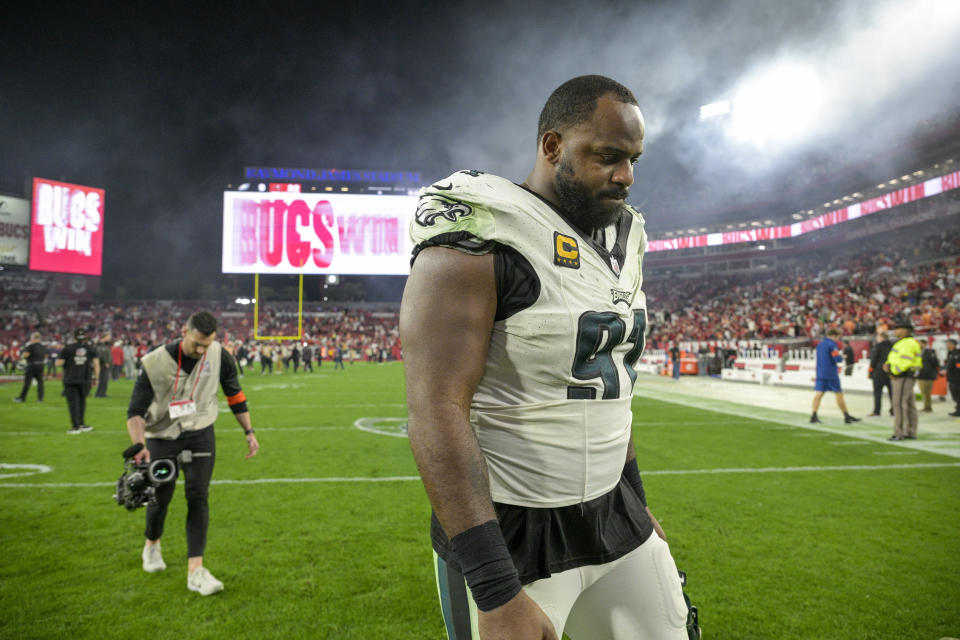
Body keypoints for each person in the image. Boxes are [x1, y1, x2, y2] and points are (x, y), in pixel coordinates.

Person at [401, 75, 697, 640]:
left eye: (634, 159)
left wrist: (634, 501)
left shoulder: (628, 236)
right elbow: (435, 409)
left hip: (613, 513)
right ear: (553, 146)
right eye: (607, 156)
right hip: (514, 527)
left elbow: (609, 391)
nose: (626, 176)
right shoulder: (479, 234)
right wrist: (493, 588)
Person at [125, 310, 260, 595]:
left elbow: (234, 394)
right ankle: (152, 544)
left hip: (201, 432)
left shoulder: (219, 355)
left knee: (198, 496)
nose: (200, 350)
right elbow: (135, 411)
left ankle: (196, 571)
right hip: (163, 436)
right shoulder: (154, 362)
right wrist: (139, 446)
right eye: (196, 343)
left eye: (206, 344)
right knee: (161, 497)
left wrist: (249, 431)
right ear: (184, 332)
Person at [884, 318, 923, 440]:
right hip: (906, 377)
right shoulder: (905, 342)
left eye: (898, 328)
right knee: (910, 404)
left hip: (902, 377)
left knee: (899, 404)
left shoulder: (907, 343)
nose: (896, 331)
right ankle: (911, 432)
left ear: (906, 330)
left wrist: (893, 372)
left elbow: (905, 362)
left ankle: (898, 433)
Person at [810, 328, 859, 424]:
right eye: (838, 337)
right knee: (838, 393)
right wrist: (842, 357)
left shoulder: (820, 345)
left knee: (819, 394)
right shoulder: (832, 345)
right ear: (834, 336)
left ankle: (814, 415)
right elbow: (837, 358)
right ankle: (846, 416)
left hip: (820, 373)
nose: (838, 340)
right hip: (831, 373)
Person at [57, 328, 99, 434]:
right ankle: (82, 424)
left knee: (73, 403)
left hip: (70, 379)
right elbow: (96, 365)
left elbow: (59, 363)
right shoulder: (91, 348)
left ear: (74, 337)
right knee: (82, 402)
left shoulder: (68, 348)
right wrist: (96, 378)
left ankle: (75, 426)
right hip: (85, 379)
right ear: (85, 337)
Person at [14, 332, 46, 403]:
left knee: (27, 383)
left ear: (33, 338)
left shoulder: (31, 346)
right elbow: (45, 356)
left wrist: (22, 355)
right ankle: (40, 399)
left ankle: (22, 398)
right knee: (40, 382)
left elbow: (25, 355)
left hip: (32, 365)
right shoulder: (43, 346)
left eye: (31, 338)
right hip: (41, 365)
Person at [867, 330, 893, 417]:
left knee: (877, 393)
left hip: (878, 372)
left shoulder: (877, 346)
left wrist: (870, 371)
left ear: (882, 337)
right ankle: (893, 410)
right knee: (892, 392)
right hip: (891, 372)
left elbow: (873, 360)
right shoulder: (893, 346)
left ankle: (877, 411)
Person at [916, 338, 940, 413]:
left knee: (927, 392)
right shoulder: (917, 352)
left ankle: (928, 407)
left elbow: (935, 363)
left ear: (925, 344)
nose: (919, 345)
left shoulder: (930, 352)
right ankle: (926, 406)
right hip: (920, 375)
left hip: (928, 375)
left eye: (921, 343)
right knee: (923, 392)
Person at [945, 338, 960, 417]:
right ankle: (958, 409)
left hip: (957, 379)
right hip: (951, 379)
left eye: (948, 343)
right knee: (955, 396)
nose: (946, 345)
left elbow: (958, 366)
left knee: (958, 396)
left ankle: (959, 411)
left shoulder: (957, 353)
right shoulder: (950, 353)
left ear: (953, 344)